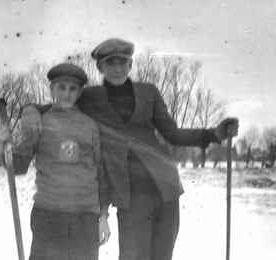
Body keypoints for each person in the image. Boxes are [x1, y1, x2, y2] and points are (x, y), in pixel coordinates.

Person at [21, 38, 239, 260]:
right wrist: (29, 110)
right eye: (110, 63)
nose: (117, 68)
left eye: (122, 62)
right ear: (100, 68)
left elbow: (172, 133)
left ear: (131, 65)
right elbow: (57, 104)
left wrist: (213, 134)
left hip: (165, 186)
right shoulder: (90, 97)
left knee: (163, 255)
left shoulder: (149, 92)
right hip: (130, 193)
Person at [0, 63, 110, 260]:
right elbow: (17, 167)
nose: (67, 94)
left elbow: (100, 173)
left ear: (80, 92)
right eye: (61, 87)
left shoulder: (90, 125)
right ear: (51, 89)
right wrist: (1, 142)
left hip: (85, 217)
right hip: (48, 214)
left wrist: (103, 217)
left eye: (73, 88)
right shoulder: (40, 122)